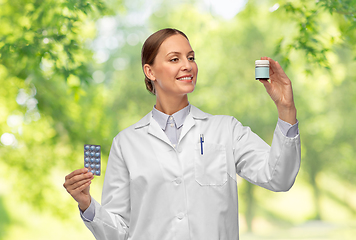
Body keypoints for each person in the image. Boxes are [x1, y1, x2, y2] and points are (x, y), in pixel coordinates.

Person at [63, 28, 301, 240]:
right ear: (150, 71)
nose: (187, 65)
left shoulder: (225, 130)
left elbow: (279, 177)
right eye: (174, 59)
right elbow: (119, 233)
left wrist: (286, 109)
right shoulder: (126, 143)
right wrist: (87, 204)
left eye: (191, 57)